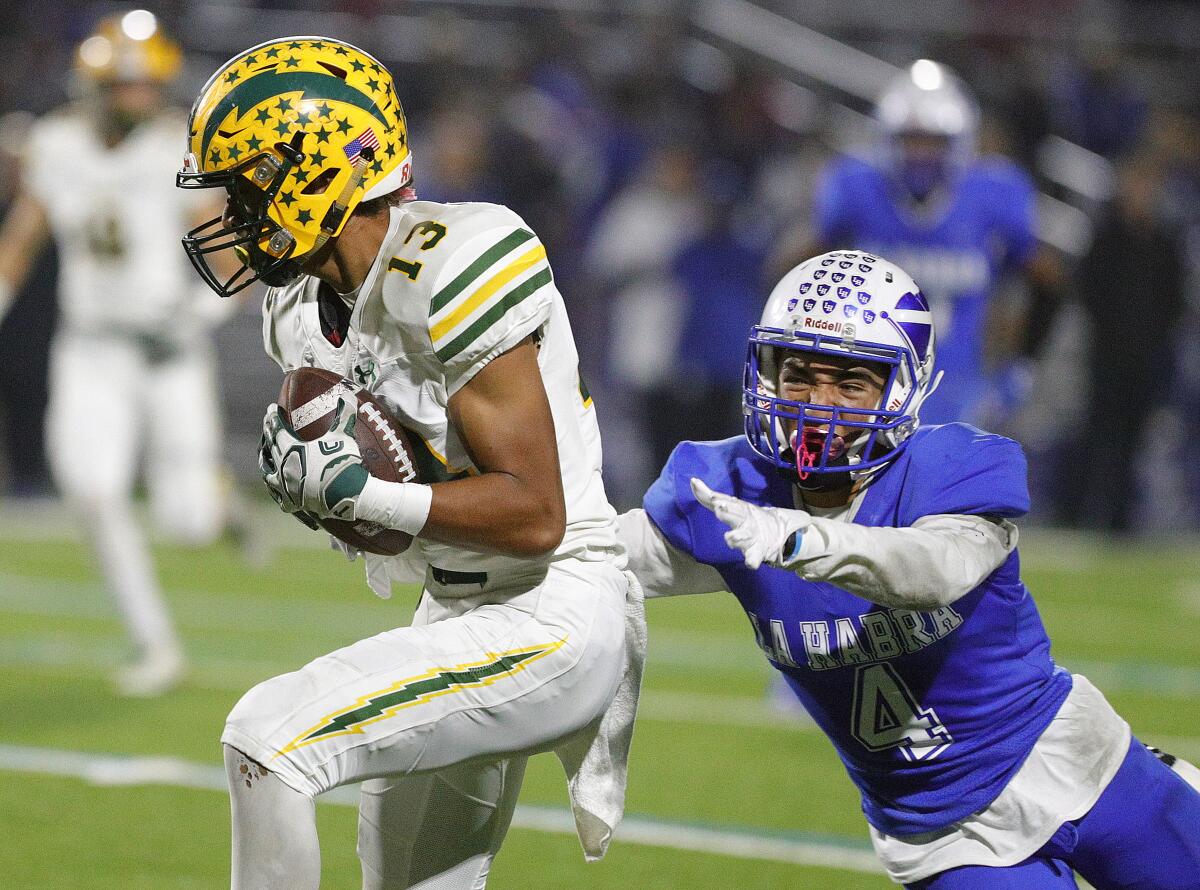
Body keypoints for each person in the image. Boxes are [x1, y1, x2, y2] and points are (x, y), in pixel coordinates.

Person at [176, 37, 641, 889]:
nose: (233, 214)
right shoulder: (296, 308)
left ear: (312, 172)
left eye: (247, 186)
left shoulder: (457, 260)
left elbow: (535, 516)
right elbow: (396, 521)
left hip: (550, 609)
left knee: (267, 741)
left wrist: (360, 492)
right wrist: (331, 498)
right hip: (455, 611)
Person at [617, 249, 1200, 888]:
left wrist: (800, 539)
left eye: (851, 383)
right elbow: (591, 562)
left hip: (1074, 760)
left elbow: (931, 571)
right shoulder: (728, 493)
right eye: (800, 376)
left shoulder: (954, 465)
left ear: (902, 386)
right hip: (942, 835)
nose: (819, 406)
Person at [0, 10, 233, 696]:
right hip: (92, 350)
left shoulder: (174, 151)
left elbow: (220, 248)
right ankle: (156, 644)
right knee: (93, 491)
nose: (138, 95)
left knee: (187, 525)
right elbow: (22, 241)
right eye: (125, 84)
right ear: (95, 84)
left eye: (145, 83)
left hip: (171, 355)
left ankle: (216, 504)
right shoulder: (57, 144)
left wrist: (203, 308)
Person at [793, 60, 1062, 427]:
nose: (921, 153)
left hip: (959, 392)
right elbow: (795, 274)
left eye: (933, 141)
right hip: (866, 391)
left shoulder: (992, 194)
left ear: (959, 143)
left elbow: (1047, 282)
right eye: (910, 139)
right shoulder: (858, 188)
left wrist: (1020, 365)